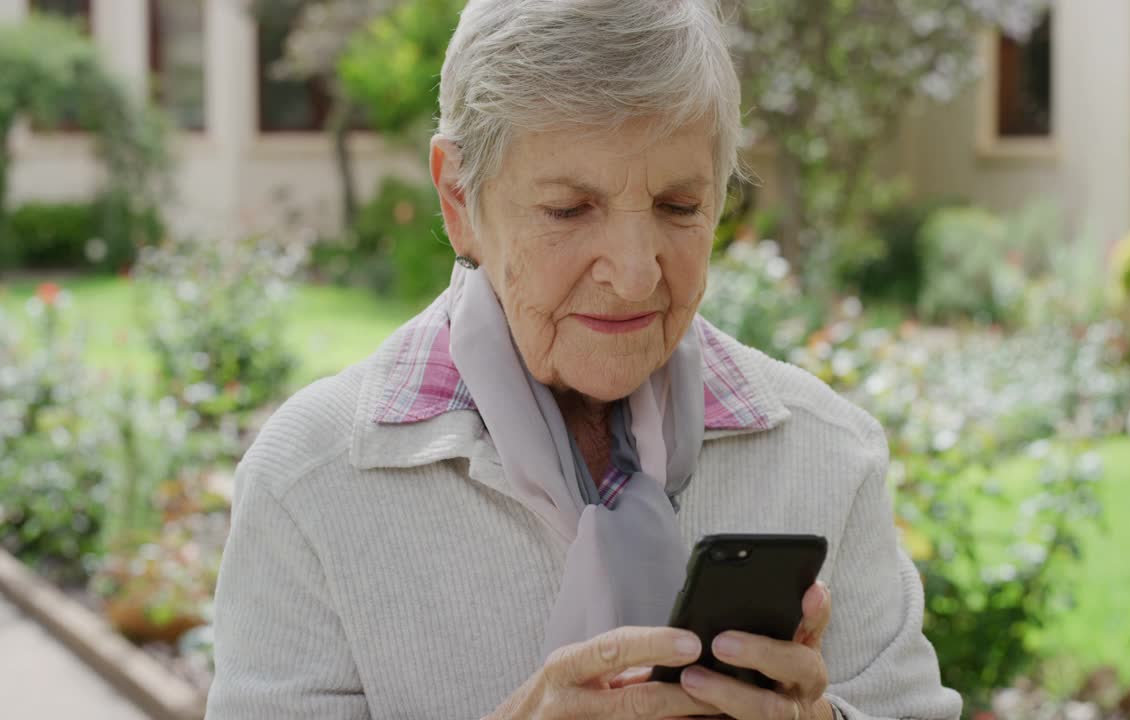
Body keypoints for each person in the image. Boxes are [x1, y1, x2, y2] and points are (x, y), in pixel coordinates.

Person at [205, 1, 962, 718]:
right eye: (570, 210)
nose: (635, 273)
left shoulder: (825, 452)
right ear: (459, 201)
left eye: (678, 207)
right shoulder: (312, 482)